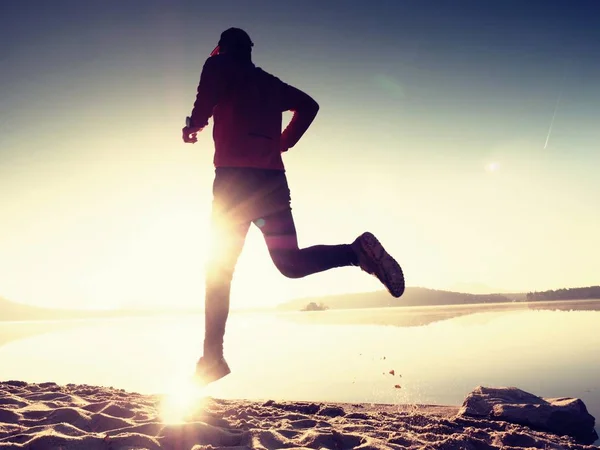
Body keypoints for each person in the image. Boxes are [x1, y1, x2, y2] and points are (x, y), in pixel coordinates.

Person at [182, 28, 405, 385]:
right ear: (250, 53)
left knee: (218, 270)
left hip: (234, 184)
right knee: (290, 263)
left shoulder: (218, 66)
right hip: (270, 183)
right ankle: (356, 252)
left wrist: (192, 126)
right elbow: (309, 105)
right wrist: (283, 142)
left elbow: (204, 100)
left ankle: (212, 358)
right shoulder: (268, 83)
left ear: (224, 50)